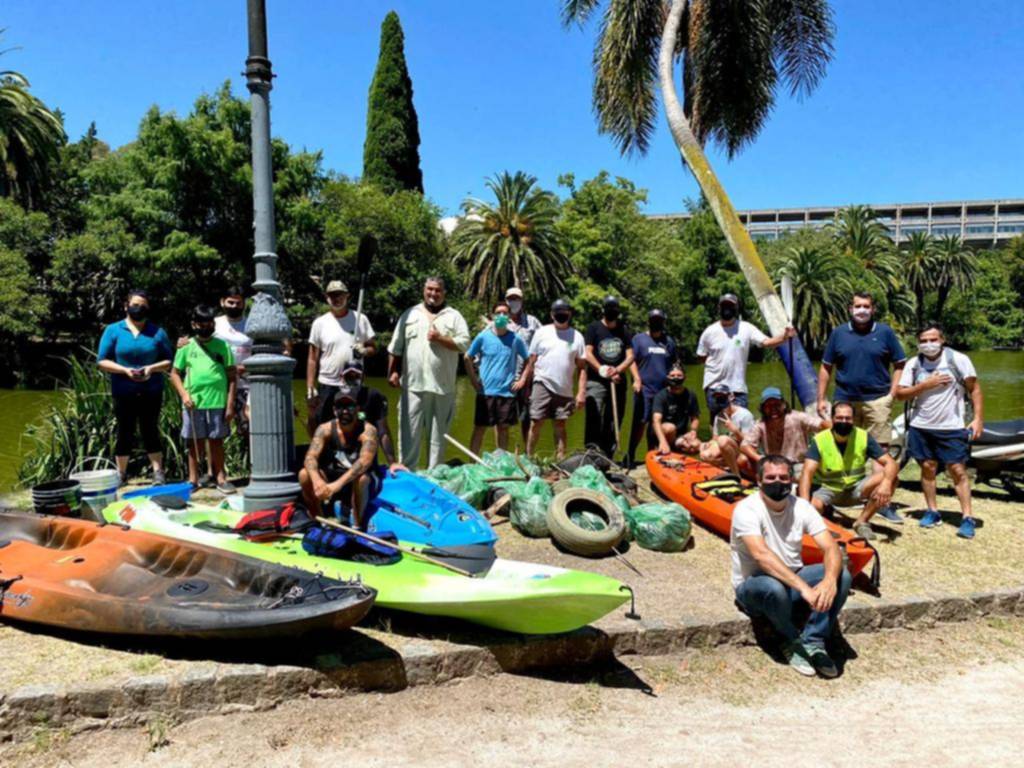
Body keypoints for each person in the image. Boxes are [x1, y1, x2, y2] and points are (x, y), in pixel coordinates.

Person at [732, 455, 851, 678]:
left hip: (792, 580)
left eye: (783, 477)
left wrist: (828, 581)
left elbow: (831, 548)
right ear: (758, 480)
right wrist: (805, 589)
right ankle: (790, 640)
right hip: (755, 585)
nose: (778, 482)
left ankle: (814, 640)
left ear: (792, 480)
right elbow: (761, 555)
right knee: (773, 588)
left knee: (841, 575)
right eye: (771, 477)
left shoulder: (802, 507)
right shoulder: (746, 509)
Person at [895, 323, 984, 538]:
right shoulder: (914, 364)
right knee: (927, 467)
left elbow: (975, 390)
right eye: (924, 340)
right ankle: (932, 511)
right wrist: (926, 385)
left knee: (958, 470)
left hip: (951, 427)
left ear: (942, 339)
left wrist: (978, 419)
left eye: (933, 339)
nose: (929, 344)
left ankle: (967, 517)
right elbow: (900, 394)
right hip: (921, 426)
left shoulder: (958, 360)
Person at [387, 277, 470, 468]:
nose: (433, 294)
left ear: (444, 293)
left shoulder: (454, 316)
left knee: (438, 440)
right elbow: (395, 347)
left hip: (443, 388)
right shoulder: (409, 314)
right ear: (424, 290)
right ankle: (408, 473)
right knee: (409, 436)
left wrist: (440, 338)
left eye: (438, 290)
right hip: (412, 387)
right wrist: (392, 372)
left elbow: (465, 344)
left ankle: (434, 478)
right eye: (430, 289)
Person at [97, 289, 173, 484]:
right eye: (135, 304)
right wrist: (125, 370)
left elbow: (169, 360)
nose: (138, 308)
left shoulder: (157, 332)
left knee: (150, 428)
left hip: (151, 390)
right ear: (126, 306)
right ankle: (121, 473)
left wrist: (151, 368)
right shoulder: (113, 330)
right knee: (125, 430)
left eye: (143, 306)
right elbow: (102, 361)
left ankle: (158, 472)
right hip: (123, 390)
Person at [798, 401, 900, 541]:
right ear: (832, 419)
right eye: (839, 418)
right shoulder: (820, 440)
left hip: (855, 487)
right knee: (813, 508)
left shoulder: (863, 436)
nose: (844, 421)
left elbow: (890, 463)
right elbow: (807, 472)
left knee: (892, 477)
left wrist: (887, 484)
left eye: (848, 418)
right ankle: (823, 517)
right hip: (827, 489)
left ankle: (862, 522)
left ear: (853, 419)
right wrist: (805, 504)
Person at [817, 292, 906, 448]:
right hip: (845, 400)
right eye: (858, 306)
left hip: (878, 400)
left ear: (873, 309)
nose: (862, 310)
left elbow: (899, 364)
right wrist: (821, 398)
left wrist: (892, 394)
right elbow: (826, 367)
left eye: (866, 306)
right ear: (850, 309)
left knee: (880, 448)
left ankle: (880, 473)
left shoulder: (885, 332)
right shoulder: (838, 333)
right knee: (843, 444)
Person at [170, 305, 237, 494]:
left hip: (217, 401)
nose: (206, 327)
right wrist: (184, 394)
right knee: (194, 441)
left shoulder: (223, 346)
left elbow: (232, 376)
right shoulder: (186, 346)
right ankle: (193, 479)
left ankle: (221, 477)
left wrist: (230, 404)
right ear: (194, 324)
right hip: (194, 403)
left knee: (217, 440)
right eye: (202, 323)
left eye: (209, 323)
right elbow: (174, 373)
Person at [697, 293, 795, 421]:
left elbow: (765, 342)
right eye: (724, 305)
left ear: (737, 308)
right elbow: (701, 356)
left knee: (740, 422)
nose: (727, 308)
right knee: (717, 421)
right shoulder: (709, 331)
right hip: (715, 386)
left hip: (738, 387)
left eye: (731, 306)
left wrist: (785, 337)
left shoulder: (746, 328)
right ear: (718, 308)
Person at [299, 387, 380, 527]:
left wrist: (336, 485)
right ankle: (318, 521)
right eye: (340, 407)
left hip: (355, 480)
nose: (345, 411)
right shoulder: (325, 429)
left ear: (358, 409)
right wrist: (317, 480)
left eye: (349, 406)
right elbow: (310, 457)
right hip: (332, 478)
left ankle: (357, 525)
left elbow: (364, 462)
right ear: (334, 410)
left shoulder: (368, 430)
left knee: (362, 479)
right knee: (304, 475)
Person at [307, 279, 377, 434]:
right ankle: (323, 455)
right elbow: (312, 358)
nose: (336, 299)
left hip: (353, 383)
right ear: (326, 298)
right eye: (332, 295)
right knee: (322, 423)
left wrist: (364, 351)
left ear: (348, 296)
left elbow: (373, 347)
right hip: (327, 383)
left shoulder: (361, 319)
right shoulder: (320, 323)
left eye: (340, 295)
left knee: (354, 423)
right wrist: (310, 388)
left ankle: (351, 454)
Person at [523, 299, 587, 460]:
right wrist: (527, 386)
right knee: (536, 422)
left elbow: (581, 368)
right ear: (552, 315)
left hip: (564, 388)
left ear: (570, 314)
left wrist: (581, 393)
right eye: (558, 312)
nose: (561, 315)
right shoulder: (541, 332)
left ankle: (560, 459)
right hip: (542, 382)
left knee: (560, 424)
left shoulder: (577, 336)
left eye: (564, 312)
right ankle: (529, 457)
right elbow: (531, 361)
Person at [464, 299, 530, 455]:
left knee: (503, 429)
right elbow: (467, 357)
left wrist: (522, 380)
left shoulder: (516, 339)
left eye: (505, 313)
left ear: (509, 317)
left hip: (506, 393)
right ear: (492, 316)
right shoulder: (483, 337)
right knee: (479, 429)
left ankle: (500, 462)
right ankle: (472, 462)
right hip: (485, 392)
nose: (501, 315)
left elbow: (528, 360)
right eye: (498, 313)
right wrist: (474, 381)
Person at [583, 295, 634, 457]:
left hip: (618, 381)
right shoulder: (593, 328)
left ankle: (607, 456)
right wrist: (603, 370)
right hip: (596, 381)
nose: (612, 311)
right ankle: (591, 454)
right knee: (594, 416)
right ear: (603, 310)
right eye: (609, 308)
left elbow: (630, 356)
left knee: (613, 420)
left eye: (614, 309)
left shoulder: (623, 330)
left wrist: (617, 370)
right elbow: (588, 353)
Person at [626, 309, 678, 465]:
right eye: (654, 320)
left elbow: (674, 364)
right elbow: (631, 360)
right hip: (644, 389)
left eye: (659, 320)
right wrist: (636, 378)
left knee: (656, 424)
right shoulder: (639, 339)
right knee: (639, 423)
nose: (656, 323)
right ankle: (630, 455)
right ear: (648, 321)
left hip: (662, 391)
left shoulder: (669, 342)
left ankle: (653, 455)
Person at [740, 386, 827, 478]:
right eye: (768, 406)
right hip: (772, 464)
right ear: (763, 408)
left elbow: (822, 425)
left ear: (784, 405)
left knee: (801, 475)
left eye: (776, 405)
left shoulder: (798, 417)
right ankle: (761, 482)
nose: (773, 409)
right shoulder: (760, 424)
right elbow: (744, 445)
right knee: (742, 460)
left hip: (798, 463)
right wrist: (761, 459)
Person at [339, 361, 404, 475]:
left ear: (363, 377)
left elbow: (383, 432)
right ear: (342, 377)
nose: (353, 380)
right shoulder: (334, 397)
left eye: (357, 376)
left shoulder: (374, 396)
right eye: (349, 376)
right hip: (341, 454)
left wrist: (392, 462)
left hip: (365, 452)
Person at [213, 286, 254, 443]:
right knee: (220, 425)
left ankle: (248, 461)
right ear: (222, 302)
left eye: (238, 303)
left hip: (246, 383)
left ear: (244, 304)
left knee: (246, 424)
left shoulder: (252, 325)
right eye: (230, 302)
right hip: (220, 382)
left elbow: (262, 353)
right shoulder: (214, 324)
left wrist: (245, 367)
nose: (234, 306)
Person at [506, 286, 542, 443]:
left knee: (527, 416)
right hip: (505, 375)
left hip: (528, 377)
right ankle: (502, 453)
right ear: (506, 301)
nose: (514, 302)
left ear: (522, 301)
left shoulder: (533, 322)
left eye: (517, 299)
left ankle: (528, 454)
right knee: (503, 418)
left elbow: (544, 344)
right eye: (511, 299)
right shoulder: (500, 321)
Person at [651, 365, 701, 455]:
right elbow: (656, 420)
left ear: (685, 377)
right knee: (670, 428)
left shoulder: (691, 395)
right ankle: (662, 447)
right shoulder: (660, 396)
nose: (676, 378)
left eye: (679, 376)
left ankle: (677, 451)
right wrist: (662, 441)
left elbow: (695, 418)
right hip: (664, 433)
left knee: (696, 445)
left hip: (680, 434)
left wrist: (693, 431)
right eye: (672, 376)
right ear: (667, 377)